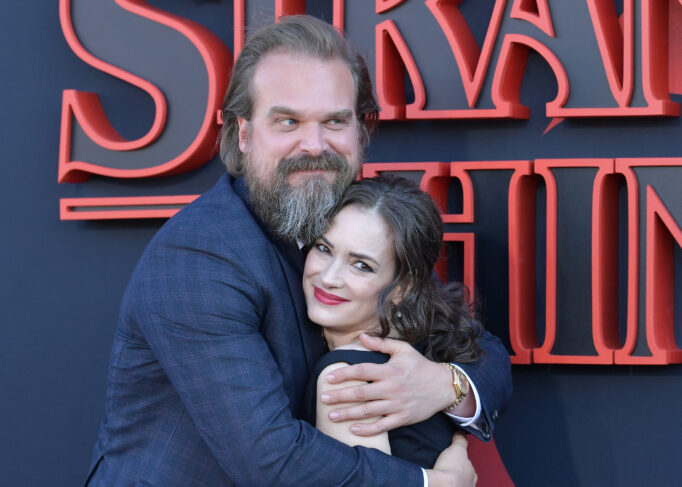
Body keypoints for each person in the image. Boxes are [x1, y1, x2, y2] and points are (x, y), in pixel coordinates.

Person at [85, 15, 510, 487]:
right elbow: (270, 459)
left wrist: (442, 385)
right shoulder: (198, 258)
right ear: (243, 134)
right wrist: (432, 486)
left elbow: (479, 347)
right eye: (288, 120)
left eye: (334, 121)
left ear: (360, 133)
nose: (314, 145)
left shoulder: (350, 220)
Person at [302, 175, 483, 469]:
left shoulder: (348, 378)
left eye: (362, 266)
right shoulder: (414, 349)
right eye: (324, 248)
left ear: (403, 288)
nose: (328, 278)